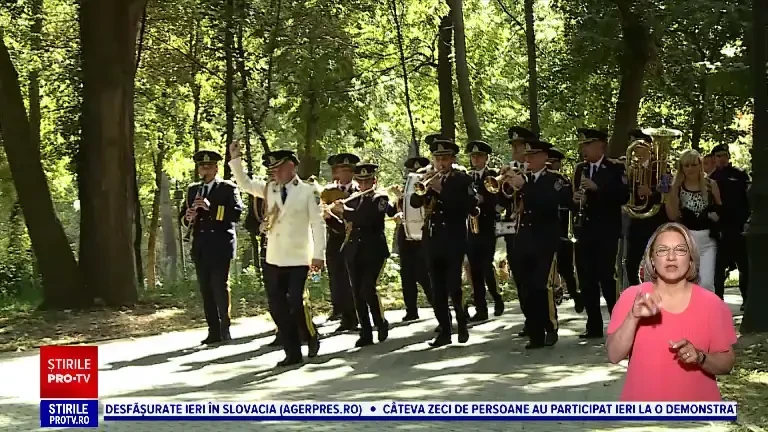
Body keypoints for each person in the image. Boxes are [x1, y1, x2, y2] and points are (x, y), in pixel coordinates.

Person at [606, 222, 737, 401]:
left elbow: (727, 364)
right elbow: (614, 355)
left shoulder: (712, 304)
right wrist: (632, 317)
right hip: (642, 416)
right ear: (652, 259)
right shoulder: (633, 297)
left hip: (697, 416)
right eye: (662, 250)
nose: (671, 257)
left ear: (691, 258)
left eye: (680, 250)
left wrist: (700, 357)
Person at [228, 143, 325, 367]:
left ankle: (310, 335)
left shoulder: (308, 191)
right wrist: (235, 159)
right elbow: (244, 183)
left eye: (278, 169)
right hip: (275, 257)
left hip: (300, 257)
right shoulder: (269, 189)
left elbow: (318, 224)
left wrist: (319, 255)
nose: (274, 173)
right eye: (272, 170)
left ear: (291, 167)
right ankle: (292, 352)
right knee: (277, 306)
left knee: (295, 302)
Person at [410, 139, 479, 347]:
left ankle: (461, 321)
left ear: (453, 160)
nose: (441, 163)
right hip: (432, 238)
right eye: (438, 159)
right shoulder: (429, 178)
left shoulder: (462, 180)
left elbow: (469, 205)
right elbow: (415, 202)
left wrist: (442, 190)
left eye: (445, 159)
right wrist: (424, 185)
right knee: (436, 286)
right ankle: (444, 330)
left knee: (453, 285)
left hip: (454, 237)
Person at [504, 140, 572, 348]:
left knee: (541, 286)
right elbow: (505, 203)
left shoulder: (555, 180)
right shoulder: (523, 179)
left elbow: (550, 202)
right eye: (527, 156)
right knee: (525, 288)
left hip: (545, 240)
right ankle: (535, 333)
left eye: (532, 156)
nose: (528, 160)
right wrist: (506, 182)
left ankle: (550, 327)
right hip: (523, 238)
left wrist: (524, 187)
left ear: (544, 157)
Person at [179, 150, 244, 345]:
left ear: (216, 168)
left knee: (219, 286)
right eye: (202, 166)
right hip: (200, 244)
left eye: (209, 166)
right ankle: (212, 330)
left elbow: (236, 213)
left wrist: (210, 208)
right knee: (205, 289)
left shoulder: (227, 188)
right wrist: (187, 218)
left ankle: (225, 328)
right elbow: (182, 216)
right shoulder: (192, 190)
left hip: (221, 244)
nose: (205, 170)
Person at [572, 128, 629, 339]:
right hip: (584, 230)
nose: (584, 149)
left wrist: (598, 189)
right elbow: (573, 198)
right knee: (586, 279)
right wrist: (578, 199)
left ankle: (618, 323)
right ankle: (593, 324)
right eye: (583, 146)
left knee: (606, 276)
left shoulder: (615, 168)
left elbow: (623, 195)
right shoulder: (580, 169)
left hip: (606, 231)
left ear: (601, 145)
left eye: (588, 145)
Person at [331, 163, 394, 347]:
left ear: (374, 181)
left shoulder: (380, 198)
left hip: (374, 251)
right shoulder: (352, 199)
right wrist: (331, 214)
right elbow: (343, 227)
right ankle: (365, 332)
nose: (364, 185)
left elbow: (368, 219)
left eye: (368, 181)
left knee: (367, 288)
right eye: (361, 181)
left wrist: (345, 211)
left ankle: (380, 322)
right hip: (353, 251)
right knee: (356, 292)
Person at [664, 149, 721, 292]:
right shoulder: (677, 187)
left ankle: (708, 313)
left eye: (693, 165)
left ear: (700, 165)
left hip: (708, 241)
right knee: (686, 284)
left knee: (707, 284)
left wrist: (713, 215)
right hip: (686, 241)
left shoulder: (710, 185)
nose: (690, 169)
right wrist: (670, 193)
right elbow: (672, 216)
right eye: (686, 165)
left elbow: (720, 210)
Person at [624, 130, 669, 287]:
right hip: (636, 221)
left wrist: (651, 192)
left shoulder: (662, 167)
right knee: (630, 264)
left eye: (639, 146)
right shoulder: (629, 169)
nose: (636, 150)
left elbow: (666, 189)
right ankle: (637, 293)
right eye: (633, 147)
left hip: (656, 220)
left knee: (657, 264)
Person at [465, 140, 504, 321]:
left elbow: (499, 200)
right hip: (471, 227)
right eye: (473, 156)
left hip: (487, 225)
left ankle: (496, 296)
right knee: (474, 269)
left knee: (486, 265)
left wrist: (484, 200)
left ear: (486, 158)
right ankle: (481, 309)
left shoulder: (493, 176)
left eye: (479, 156)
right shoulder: (467, 177)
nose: (475, 159)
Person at [504, 126, 537, 337]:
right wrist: (503, 184)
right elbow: (500, 201)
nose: (515, 150)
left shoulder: (537, 169)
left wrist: (522, 184)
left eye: (519, 146)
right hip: (512, 230)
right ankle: (529, 319)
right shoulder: (509, 169)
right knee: (520, 279)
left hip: (534, 231)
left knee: (535, 280)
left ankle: (541, 320)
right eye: (514, 146)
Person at [709, 144, 750, 306]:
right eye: (718, 155)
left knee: (744, 268)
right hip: (721, 231)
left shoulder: (740, 175)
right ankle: (718, 302)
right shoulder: (710, 179)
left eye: (724, 155)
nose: (722, 158)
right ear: (714, 158)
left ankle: (746, 300)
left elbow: (747, 201)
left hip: (739, 228)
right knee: (718, 270)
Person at [324, 153, 361, 332]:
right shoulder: (328, 192)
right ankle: (344, 315)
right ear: (336, 172)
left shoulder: (359, 191)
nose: (345, 174)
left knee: (353, 280)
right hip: (334, 240)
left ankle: (356, 316)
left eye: (349, 170)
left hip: (354, 240)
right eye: (341, 170)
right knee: (338, 279)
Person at [394, 155, 433, 321]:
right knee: (406, 274)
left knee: (424, 273)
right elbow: (400, 210)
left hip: (423, 233)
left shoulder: (428, 185)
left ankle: (436, 302)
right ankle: (411, 309)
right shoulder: (406, 189)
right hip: (406, 234)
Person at [546, 146, 583, 313]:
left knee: (565, 269)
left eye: (552, 163)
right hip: (544, 233)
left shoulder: (562, 181)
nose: (550, 165)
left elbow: (571, 204)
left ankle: (576, 295)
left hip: (561, 233)